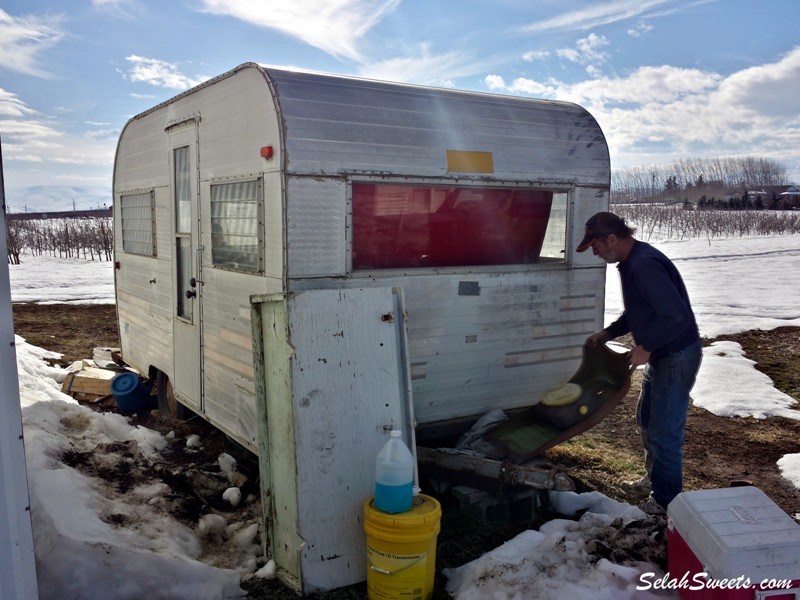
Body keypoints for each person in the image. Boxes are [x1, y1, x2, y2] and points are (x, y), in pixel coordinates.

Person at [577, 212, 702, 514]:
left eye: (595, 246)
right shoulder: (631, 263)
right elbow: (639, 312)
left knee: (664, 432)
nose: (594, 252)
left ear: (612, 239)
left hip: (677, 357)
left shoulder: (644, 265)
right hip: (663, 355)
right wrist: (609, 332)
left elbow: (676, 316)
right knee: (648, 420)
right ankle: (655, 481)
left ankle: (665, 503)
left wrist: (646, 347)